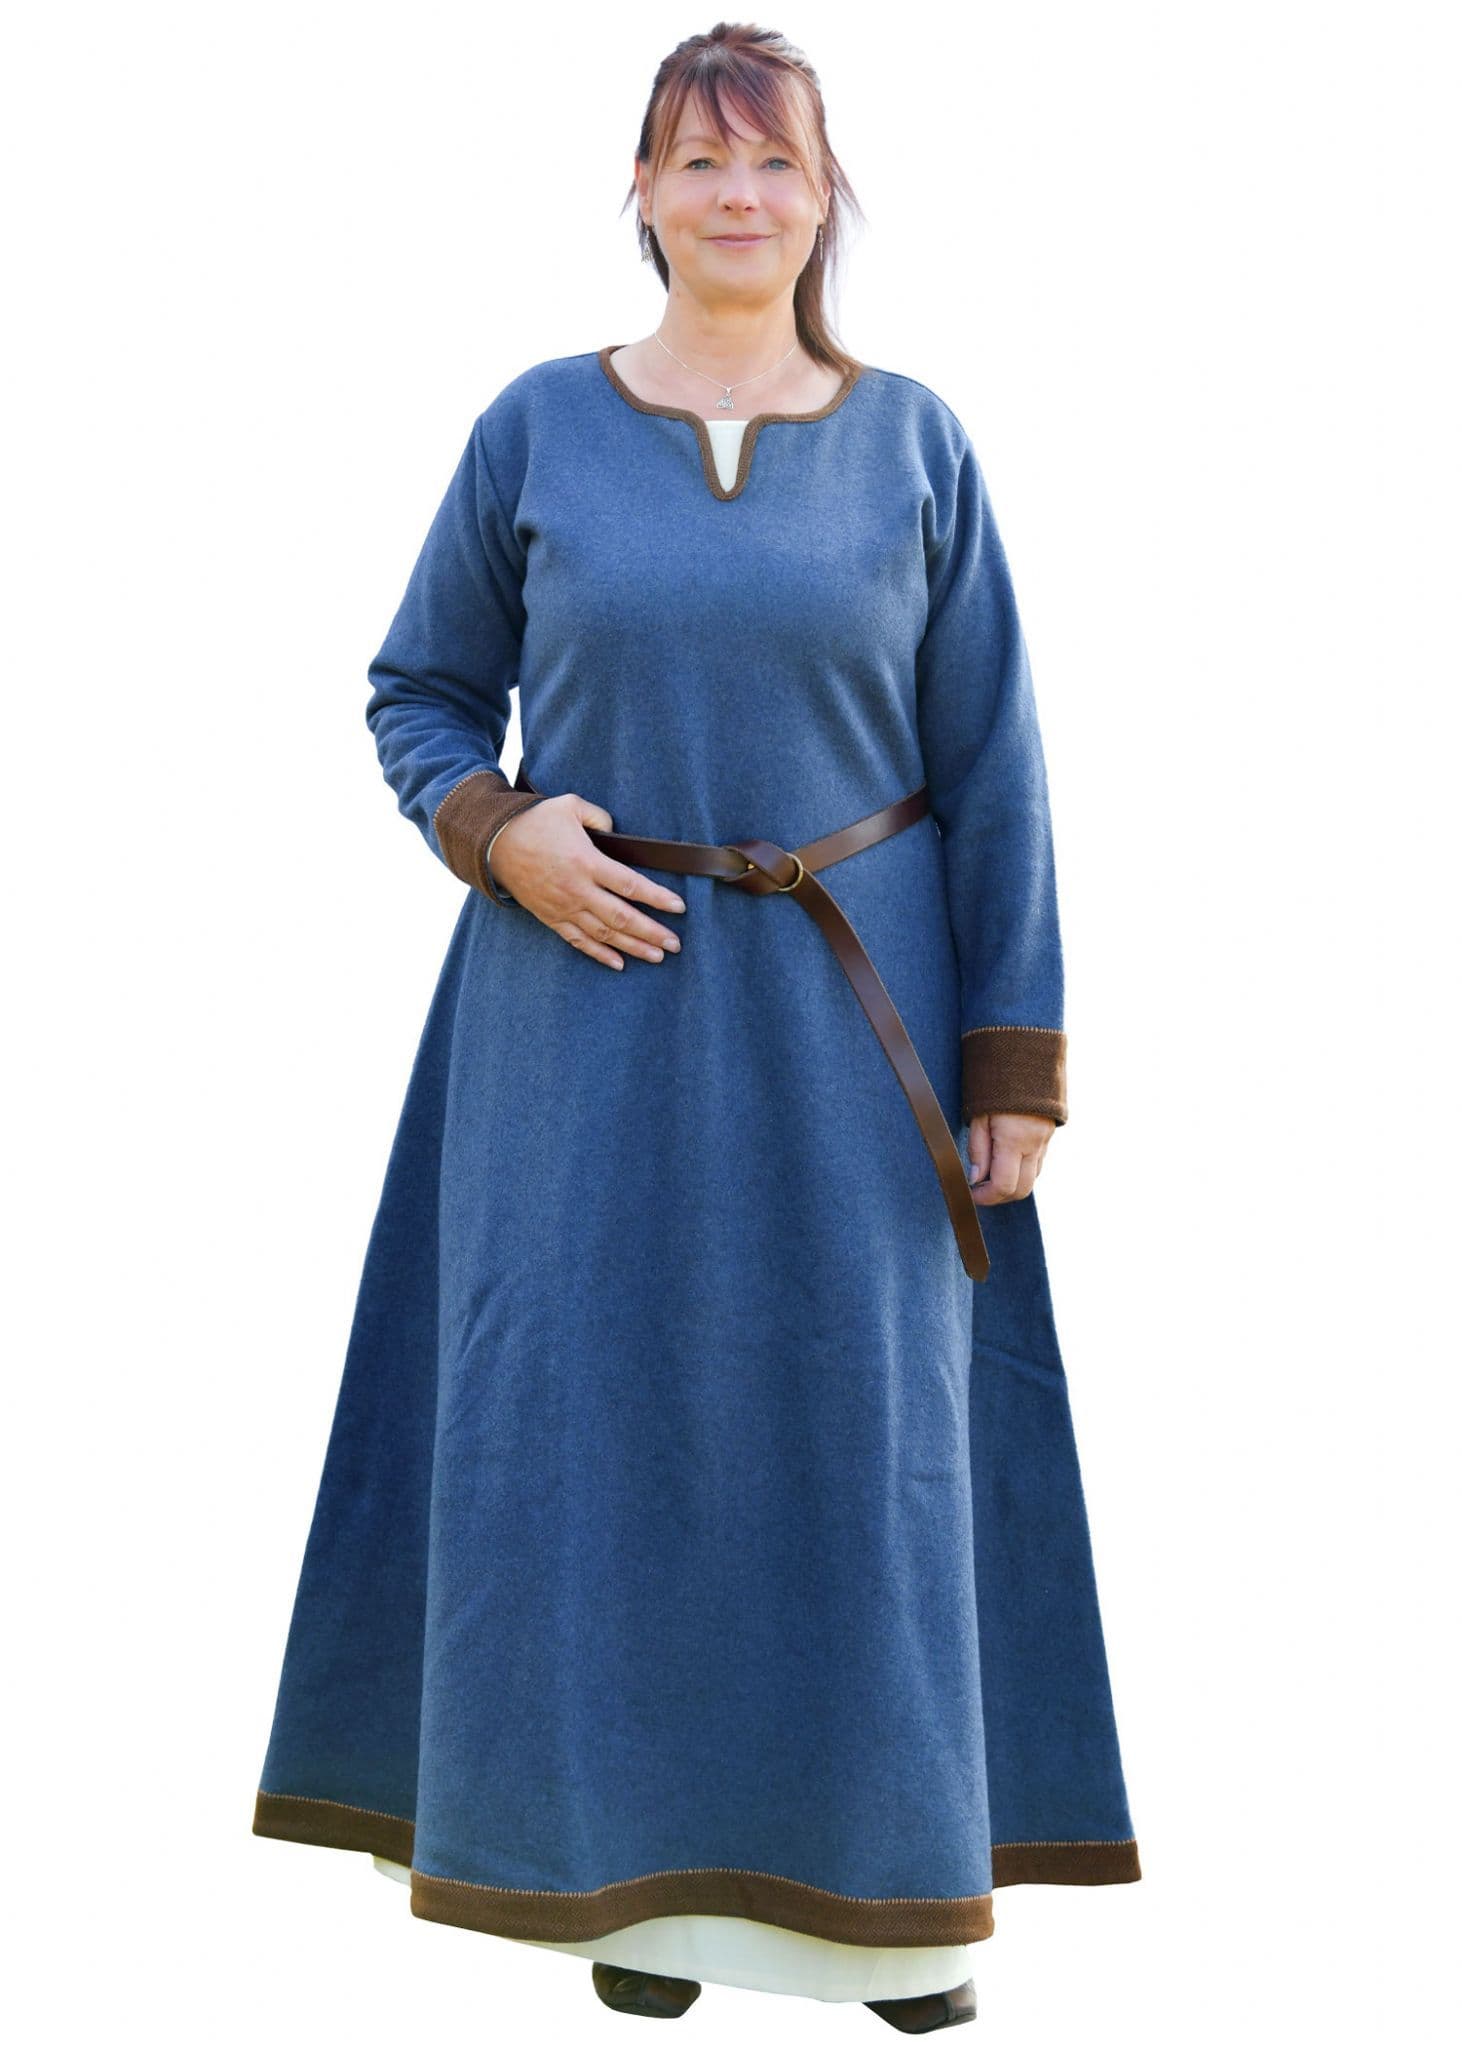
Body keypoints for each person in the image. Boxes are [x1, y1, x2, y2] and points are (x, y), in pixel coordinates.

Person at [251, 21, 1141, 2033]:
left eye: (774, 161)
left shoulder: (913, 443)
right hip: (578, 1013)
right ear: (642, 193)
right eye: (696, 158)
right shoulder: (535, 427)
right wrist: (497, 832)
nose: (738, 193)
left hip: (856, 1018)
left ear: (825, 197)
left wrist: (1012, 1061)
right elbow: (416, 688)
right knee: (599, 1430)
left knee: (864, 1435)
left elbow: (993, 765)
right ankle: (628, 1899)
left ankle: (891, 1911)